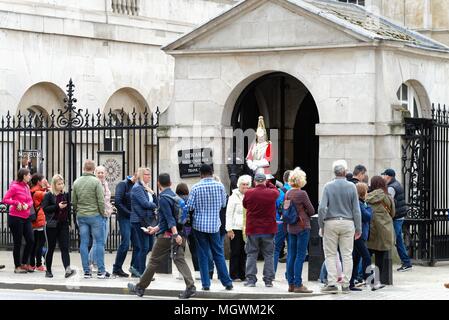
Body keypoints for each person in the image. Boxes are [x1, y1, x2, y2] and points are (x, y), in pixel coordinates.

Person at [128, 173, 196, 299]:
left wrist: (174, 234)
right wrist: (155, 229)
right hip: (180, 233)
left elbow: (170, 219)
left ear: (158, 183)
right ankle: (190, 286)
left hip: (168, 235)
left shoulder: (163, 198)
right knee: (179, 259)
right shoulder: (174, 195)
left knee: (153, 261)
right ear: (170, 183)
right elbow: (165, 220)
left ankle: (140, 287)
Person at [186, 164, 233, 291]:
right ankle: (227, 282)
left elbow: (189, 207)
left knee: (202, 254)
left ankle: (206, 284)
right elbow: (223, 204)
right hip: (215, 225)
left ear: (201, 174)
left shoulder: (195, 187)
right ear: (212, 172)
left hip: (199, 225)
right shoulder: (220, 186)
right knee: (218, 253)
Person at [318, 160, 362, 293]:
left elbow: (322, 208)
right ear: (346, 172)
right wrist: (358, 227)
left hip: (331, 222)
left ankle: (331, 283)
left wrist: (321, 225)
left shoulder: (328, 186)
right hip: (348, 223)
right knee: (347, 254)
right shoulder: (352, 187)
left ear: (334, 172)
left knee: (330, 254)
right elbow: (356, 209)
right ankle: (346, 284)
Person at [72, 159, 109, 278]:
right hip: (95, 215)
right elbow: (100, 200)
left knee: (84, 243)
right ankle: (101, 271)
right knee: (99, 242)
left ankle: (86, 271)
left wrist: (79, 211)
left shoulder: (76, 182)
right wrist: (102, 213)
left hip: (82, 216)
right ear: (93, 169)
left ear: (83, 168)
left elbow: (74, 201)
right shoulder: (96, 182)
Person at [242, 172, 279, 287]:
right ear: (264, 181)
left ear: (254, 182)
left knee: (251, 254)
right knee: (269, 255)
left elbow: (245, 205)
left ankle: (251, 280)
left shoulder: (248, 193)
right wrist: (268, 183)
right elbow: (277, 191)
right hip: (268, 229)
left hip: (253, 229)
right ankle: (268, 280)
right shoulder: (272, 193)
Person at [284, 168, 315, 293]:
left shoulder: (288, 193)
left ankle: (291, 284)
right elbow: (311, 210)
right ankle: (298, 284)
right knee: (300, 256)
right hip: (302, 226)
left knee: (291, 255)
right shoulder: (302, 194)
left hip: (291, 227)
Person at [41, 174, 75, 278]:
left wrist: (69, 222)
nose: (61, 185)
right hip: (52, 224)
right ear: (54, 184)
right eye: (58, 184)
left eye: (62, 183)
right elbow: (45, 208)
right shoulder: (48, 195)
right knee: (50, 248)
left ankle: (67, 269)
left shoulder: (65, 194)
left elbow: (68, 209)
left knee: (65, 247)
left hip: (63, 224)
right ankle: (48, 270)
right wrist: (57, 206)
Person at [3, 168, 35, 273]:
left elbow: (31, 201)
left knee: (30, 240)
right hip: (15, 218)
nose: (30, 176)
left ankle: (24, 263)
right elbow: (5, 199)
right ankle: (17, 267)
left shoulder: (26, 186)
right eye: (29, 175)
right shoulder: (14, 187)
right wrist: (17, 203)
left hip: (26, 217)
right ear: (24, 176)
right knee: (18, 242)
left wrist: (27, 205)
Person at [366, 176, 395, 287]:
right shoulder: (388, 197)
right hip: (384, 230)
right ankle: (377, 281)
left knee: (367, 256)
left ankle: (368, 279)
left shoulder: (367, 197)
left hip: (371, 229)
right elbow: (392, 213)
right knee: (380, 257)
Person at [381, 168, 412, 272]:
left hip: (396, 218)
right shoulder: (396, 184)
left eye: (384, 175)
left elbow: (388, 203)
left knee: (397, 241)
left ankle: (406, 262)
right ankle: (406, 262)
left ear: (388, 176)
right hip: (399, 217)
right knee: (398, 240)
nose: (383, 177)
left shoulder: (391, 188)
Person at [130, 167, 158, 276]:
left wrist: (153, 194)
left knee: (150, 246)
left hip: (148, 220)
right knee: (144, 247)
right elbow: (145, 204)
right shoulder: (137, 188)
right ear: (141, 175)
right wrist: (154, 205)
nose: (149, 176)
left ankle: (135, 267)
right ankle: (142, 272)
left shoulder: (145, 188)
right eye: (147, 174)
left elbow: (156, 201)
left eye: (150, 174)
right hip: (140, 220)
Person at [226, 174, 251, 282]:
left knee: (244, 252)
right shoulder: (233, 196)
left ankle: (242, 274)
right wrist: (229, 229)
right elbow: (228, 213)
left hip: (246, 228)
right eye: (243, 184)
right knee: (235, 252)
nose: (245, 187)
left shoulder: (250, 196)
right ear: (239, 185)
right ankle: (233, 275)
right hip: (235, 228)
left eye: (247, 184)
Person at [113, 172, 138, 278]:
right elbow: (118, 202)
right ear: (135, 175)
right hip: (124, 218)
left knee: (138, 245)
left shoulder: (139, 186)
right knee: (125, 243)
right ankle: (117, 268)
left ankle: (134, 269)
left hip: (135, 219)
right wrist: (129, 213)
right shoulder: (123, 184)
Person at [88, 166, 114, 272]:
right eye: (98, 173)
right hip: (98, 216)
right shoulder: (94, 184)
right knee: (97, 241)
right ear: (95, 173)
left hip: (106, 215)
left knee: (102, 241)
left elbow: (106, 200)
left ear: (105, 174)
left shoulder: (105, 184)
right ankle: (90, 263)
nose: (100, 174)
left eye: (102, 173)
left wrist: (110, 207)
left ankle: (96, 263)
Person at [349, 182, 372, 291]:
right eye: (366, 191)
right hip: (358, 234)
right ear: (363, 192)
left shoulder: (361, 203)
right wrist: (369, 209)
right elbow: (367, 216)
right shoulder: (360, 203)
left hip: (359, 234)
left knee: (356, 259)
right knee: (366, 256)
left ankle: (351, 282)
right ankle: (370, 280)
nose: (367, 193)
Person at [176, 183, 200, 280]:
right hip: (191, 227)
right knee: (194, 249)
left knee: (180, 249)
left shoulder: (177, 200)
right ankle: (198, 272)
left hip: (181, 227)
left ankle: (181, 273)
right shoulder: (190, 199)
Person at [29, 174, 49, 272]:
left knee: (35, 243)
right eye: (43, 179)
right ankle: (38, 265)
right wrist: (48, 185)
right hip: (39, 220)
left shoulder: (33, 191)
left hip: (34, 220)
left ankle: (32, 264)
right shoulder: (37, 192)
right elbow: (51, 194)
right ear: (39, 182)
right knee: (40, 244)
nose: (45, 180)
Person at [274, 170, 292, 275]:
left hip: (279, 222)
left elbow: (274, 207)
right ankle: (288, 275)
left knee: (276, 249)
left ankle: (272, 274)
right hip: (292, 223)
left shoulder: (279, 192)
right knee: (291, 249)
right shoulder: (297, 191)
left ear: (284, 179)